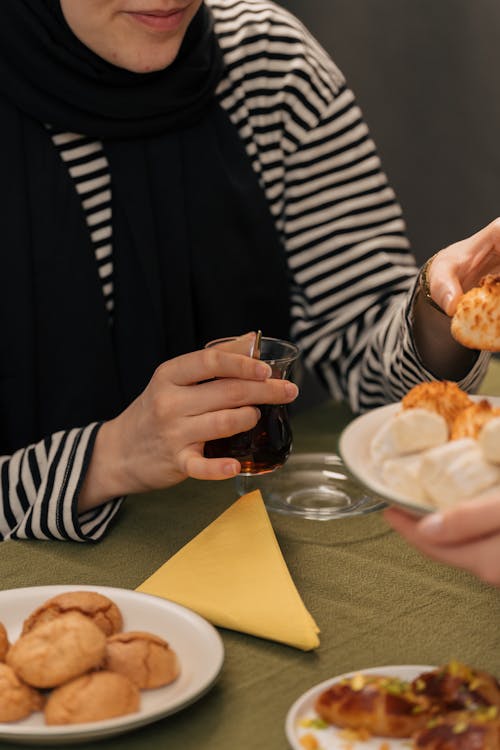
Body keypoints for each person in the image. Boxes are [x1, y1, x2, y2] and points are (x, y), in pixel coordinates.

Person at [0, 0, 496, 543]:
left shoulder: (269, 65)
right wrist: (110, 457)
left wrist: (440, 304)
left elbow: (370, 360)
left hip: (256, 531)